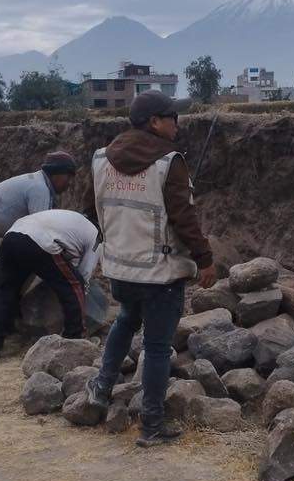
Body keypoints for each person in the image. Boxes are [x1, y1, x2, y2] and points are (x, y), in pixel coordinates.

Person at [84, 91, 215, 446]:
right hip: (159, 272)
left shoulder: (101, 158)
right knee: (157, 347)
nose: (177, 123)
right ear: (155, 122)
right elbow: (183, 217)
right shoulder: (168, 162)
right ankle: (152, 426)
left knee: (126, 319)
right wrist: (204, 258)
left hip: (119, 268)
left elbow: (92, 208)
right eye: (173, 116)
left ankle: (100, 389)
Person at [0, 151, 78, 353]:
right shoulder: (40, 189)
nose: (70, 183)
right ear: (57, 174)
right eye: (69, 177)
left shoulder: (42, 186)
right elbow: (41, 234)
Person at [0, 208, 98, 358]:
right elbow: (83, 275)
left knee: (7, 291)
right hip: (39, 241)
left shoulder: (70, 219)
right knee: (75, 286)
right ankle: (74, 339)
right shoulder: (96, 235)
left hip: (11, 236)